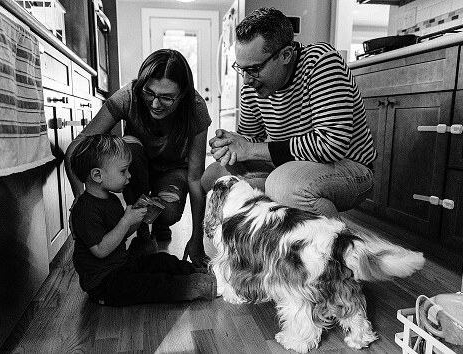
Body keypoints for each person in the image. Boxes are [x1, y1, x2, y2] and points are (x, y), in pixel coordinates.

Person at [200, 7, 377, 217]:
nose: (246, 80)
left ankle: (331, 238)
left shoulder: (322, 62)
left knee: (284, 185)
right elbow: (252, 139)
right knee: (215, 177)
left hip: (348, 168)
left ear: (285, 55)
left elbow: (331, 145)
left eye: (254, 69)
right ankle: (269, 236)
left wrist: (252, 149)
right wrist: (233, 146)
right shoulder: (252, 85)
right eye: (242, 69)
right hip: (286, 166)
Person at [64, 49, 212, 266]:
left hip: (173, 171)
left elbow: (196, 177)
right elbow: (77, 147)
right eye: (149, 93)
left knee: (168, 213)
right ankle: (144, 236)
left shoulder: (196, 108)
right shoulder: (129, 96)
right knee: (130, 147)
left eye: (167, 98)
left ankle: (160, 223)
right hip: (134, 167)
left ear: (183, 94)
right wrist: (80, 200)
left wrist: (197, 239)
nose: (155, 104)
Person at [68, 134, 215, 306]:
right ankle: (197, 286)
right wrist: (125, 221)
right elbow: (101, 250)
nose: (129, 175)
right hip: (104, 283)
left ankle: (202, 271)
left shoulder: (111, 199)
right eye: (123, 171)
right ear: (97, 175)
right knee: (150, 285)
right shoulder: (84, 210)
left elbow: (120, 236)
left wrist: (137, 219)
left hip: (121, 265)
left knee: (160, 260)